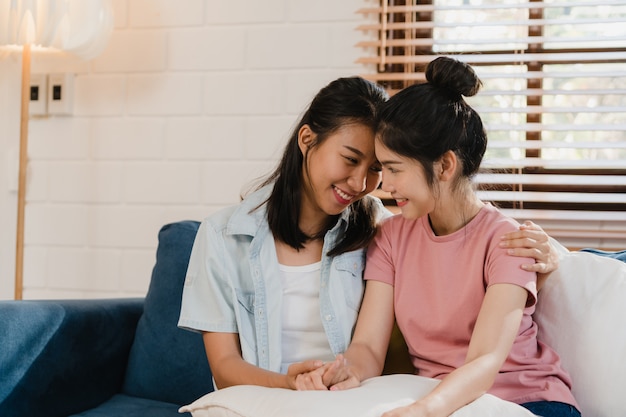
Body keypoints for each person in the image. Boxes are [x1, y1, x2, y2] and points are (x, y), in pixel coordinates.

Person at [177, 75, 560, 392]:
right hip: (266, 399)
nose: (363, 183)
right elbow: (225, 367)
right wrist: (290, 386)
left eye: (379, 167)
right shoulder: (223, 236)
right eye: (350, 159)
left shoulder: (380, 226)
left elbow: (471, 233)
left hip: (351, 399)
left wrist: (555, 256)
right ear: (307, 139)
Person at [306, 57, 580, 417]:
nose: (384, 185)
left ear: (445, 165)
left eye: (394, 169)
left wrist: (424, 411)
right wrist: (346, 371)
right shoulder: (391, 238)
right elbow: (369, 348)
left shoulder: (508, 242)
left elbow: (485, 361)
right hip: (445, 403)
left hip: (527, 401)